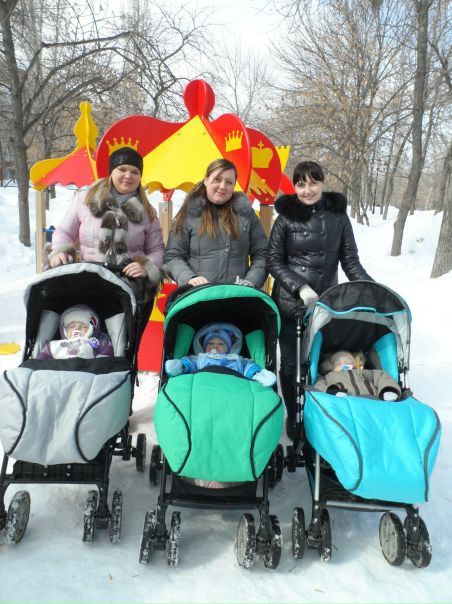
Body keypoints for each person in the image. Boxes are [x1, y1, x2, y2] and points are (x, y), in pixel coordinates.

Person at [267, 160, 373, 439]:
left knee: (317, 362)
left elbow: (350, 261)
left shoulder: (338, 217)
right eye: (301, 184)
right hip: (291, 303)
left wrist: (370, 288)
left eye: (313, 183)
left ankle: (318, 414)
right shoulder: (285, 218)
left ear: (322, 183)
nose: (307, 190)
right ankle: (293, 414)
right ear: (295, 187)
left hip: (325, 303)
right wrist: (299, 286)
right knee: (290, 365)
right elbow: (274, 261)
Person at [46, 146, 164, 292]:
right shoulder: (85, 200)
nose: (128, 175)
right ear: (111, 172)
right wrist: (60, 251)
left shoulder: (147, 211)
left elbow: (156, 249)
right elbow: (64, 233)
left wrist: (146, 266)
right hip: (88, 281)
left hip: (130, 287)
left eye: (135, 172)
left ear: (140, 177)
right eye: (122, 169)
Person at [163, 158, 268, 288]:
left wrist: (251, 281)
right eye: (217, 179)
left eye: (229, 182)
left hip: (237, 294)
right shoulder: (189, 214)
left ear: (234, 185)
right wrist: (190, 278)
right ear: (206, 180)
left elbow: (262, 254)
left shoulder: (246, 215)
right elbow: (173, 256)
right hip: (199, 294)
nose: (222, 186)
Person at [165, 322, 276, 387]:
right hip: (204, 386)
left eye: (221, 344)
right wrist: (181, 366)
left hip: (232, 387)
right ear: (203, 346)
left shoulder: (236, 359)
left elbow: (247, 366)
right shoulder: (200, 358)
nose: (214, 346)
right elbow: (190, 363)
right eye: (210, 343)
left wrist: (257, 373)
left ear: (229, 348)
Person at [314, 350, 401, 401]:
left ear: (356, 364)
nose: (344, 364)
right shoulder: (330, 376)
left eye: (348, 362)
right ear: (331, 368)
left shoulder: (365, 372)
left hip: (373, 401)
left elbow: (382, 376)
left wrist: (387, 390)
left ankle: (387, 392)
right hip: (344, 402)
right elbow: (319, 385)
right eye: (338, 364)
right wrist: (332, 391)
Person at [37, 304, 114, 360]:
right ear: (64, 330)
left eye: (83, 326)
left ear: (91, 329)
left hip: (88, 369)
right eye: (71, 326)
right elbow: (42, 358)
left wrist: (99, 361)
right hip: (60, 369)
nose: (77, 328)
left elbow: (108, 352)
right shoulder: (54, 345)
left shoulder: (96, 342)